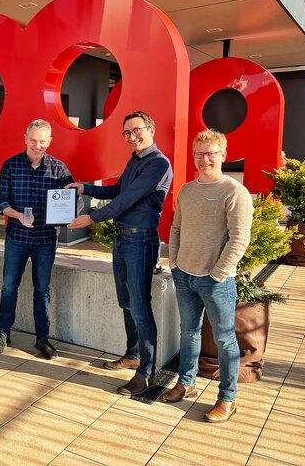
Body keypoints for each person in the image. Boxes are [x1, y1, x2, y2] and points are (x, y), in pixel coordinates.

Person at [67, 111, 173, 395]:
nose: (131, 137)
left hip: (140, 241)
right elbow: (117, 189)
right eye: (126, 133)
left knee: (140, 307)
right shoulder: (135, 160)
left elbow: (127, 198)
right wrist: (85, 188)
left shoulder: (158, 163)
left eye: (136, 130)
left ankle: (146, 373)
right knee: (126, 302)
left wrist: (92, 218)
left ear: (151, 129)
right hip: (123, 239)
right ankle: (133, 354)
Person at [161, 129, 253, 423]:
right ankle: (186, 383)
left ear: (223, 155)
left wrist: (217, 273)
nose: (204, 159)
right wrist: (175, 263)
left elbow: (240, 238)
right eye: (199, 154)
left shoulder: (234, 192)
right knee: (188, 332)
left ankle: (228, 398)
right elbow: (176, 228)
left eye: (210, 153)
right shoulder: (187, 190)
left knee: (225, 340)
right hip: (184, 275)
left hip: (216, 281)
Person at [0, 119, 76, 360]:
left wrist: (68, 211)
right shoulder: (10, 165)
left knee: (42, 291)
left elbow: (72, 201)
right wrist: (18, 215)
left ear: (50, 141)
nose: (38, 145)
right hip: (17, 238)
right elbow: (1, 202)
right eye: (33, 140)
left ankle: (42, 338)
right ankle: (3, 333)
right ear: (25, 139)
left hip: (46, 240)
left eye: (42, 141)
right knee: (9, 288)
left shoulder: (59, 169)